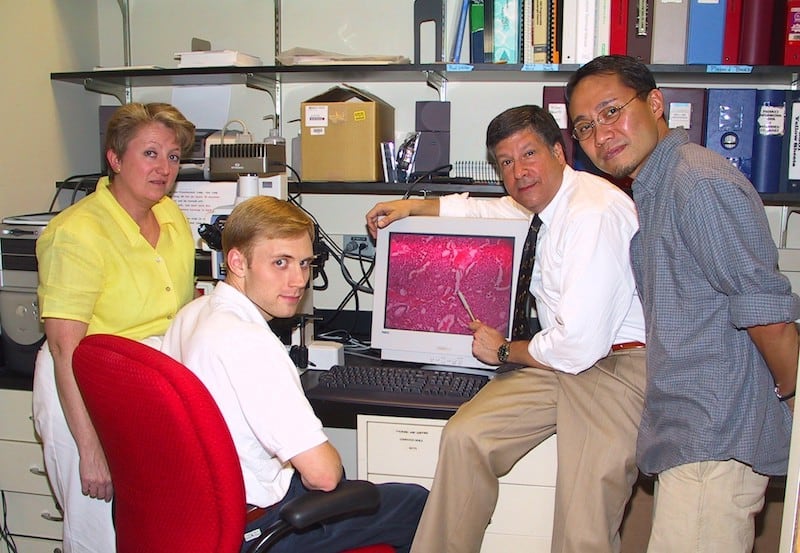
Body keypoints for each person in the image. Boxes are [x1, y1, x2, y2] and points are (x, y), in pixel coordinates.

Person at [366, 105, 647, 553]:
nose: (520, 171)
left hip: (614, 364)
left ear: (559, 151)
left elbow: (579, 345)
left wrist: (502, 352)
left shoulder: (592, 212)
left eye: (529, 154)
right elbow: (483, 212)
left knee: (583, 519)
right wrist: (412, 206)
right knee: (466, 437)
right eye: (506, 162)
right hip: (557, 359)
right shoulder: (541, 205)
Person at [565, 54, 800, 553]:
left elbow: (768, 316)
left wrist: (788, 397)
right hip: (692, 435)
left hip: (714, 439)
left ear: (655, 103)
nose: (600, 134)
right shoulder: (656, 189)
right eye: (584, 126)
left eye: (611, 112)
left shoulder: (696, 184)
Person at [160, 195, 427, 553]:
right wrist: (327, 457)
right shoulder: (250, 343)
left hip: (199, 515)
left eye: (305, 263)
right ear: (238, 262)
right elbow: (324, 474)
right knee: (416, 502)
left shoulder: (193, 313)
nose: (298, 280)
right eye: (280, 263)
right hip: (259, 528)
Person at [33, 102, 196, 552]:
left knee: (149, 528)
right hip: (86, 392)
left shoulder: (172, 219)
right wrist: (90, 448)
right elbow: (66, 351)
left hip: (149, 389)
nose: (164, 168)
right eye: (150, 153)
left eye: (174, 157)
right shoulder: (77, 233)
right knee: (97, 531)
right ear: (115, 158)